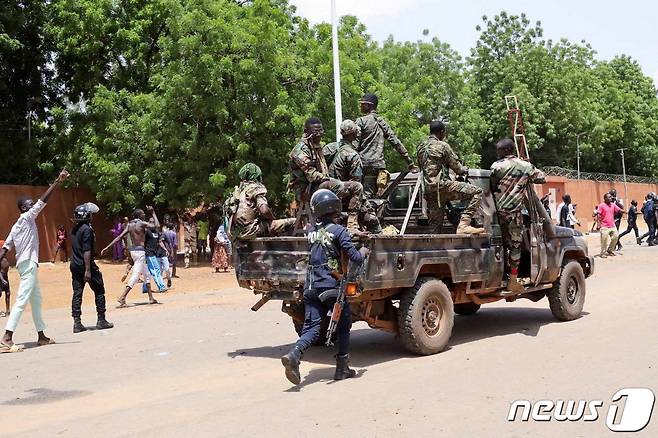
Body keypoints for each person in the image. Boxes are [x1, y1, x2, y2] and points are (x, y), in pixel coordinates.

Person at [280, 190, 366, 385]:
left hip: (310, 286)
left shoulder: (310, 231)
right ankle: (342, 368)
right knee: (344, 326)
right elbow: (356, 258)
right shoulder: (338, 231)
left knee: (311, 327)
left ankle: (294, 354)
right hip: (331, 287)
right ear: (334, 208)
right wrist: (364, 250)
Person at [0, 169, 69, 352]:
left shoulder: (16, 227)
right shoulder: (26, 217)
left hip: (25, 265)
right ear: (23, 208)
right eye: (30, 204)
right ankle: (7, 337)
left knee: (36, 300)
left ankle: (41, 336)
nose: (33, 206)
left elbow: (5, 248)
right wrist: (57, 181)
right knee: (22, 300)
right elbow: (43, 201)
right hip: (29, 264)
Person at [289, 118, 380, 232]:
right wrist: (330, 179)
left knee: (357, 186)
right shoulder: (300, 150)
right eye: (315, 133)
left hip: (319, 186)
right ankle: (334, 219)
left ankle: (352, 225)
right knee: (337, 185)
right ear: (306, 131)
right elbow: (312, 175)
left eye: (321, 132)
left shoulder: (321, 147)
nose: (319, 136)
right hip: (305, 190)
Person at [490, 139, 546, 292]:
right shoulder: (525, 166)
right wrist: (526, 169)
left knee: (499, 245)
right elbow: (542, 178)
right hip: (515, 213)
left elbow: (492, 185)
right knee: (515, 246)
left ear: (505, 150)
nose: (498, 153)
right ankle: (513, 279)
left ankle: (500, 275)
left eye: (499, 151)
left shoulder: (496, 166)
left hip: (497, 213)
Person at [417, 120, 484, 234]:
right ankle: (464, 224)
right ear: (442, 132)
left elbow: (423, 168)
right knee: (477, 192)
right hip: (443, 187)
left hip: (429, 190)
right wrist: (465, 169)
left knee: (435, 227)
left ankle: (434, 248)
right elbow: (457, 168)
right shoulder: (443, 146)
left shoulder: (421, 147)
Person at [322, 119, 381, 231]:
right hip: (342, 194)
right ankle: (356, 227)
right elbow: (356, 181)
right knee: (370, 216)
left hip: (325, 190)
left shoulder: (328, 148)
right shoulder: (353, 155)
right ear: (354, 134)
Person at [355, 93, 415, 198]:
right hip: (378, 166)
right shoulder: (381, 122)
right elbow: (396, 142)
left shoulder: (361, 121)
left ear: (369, 105)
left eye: (362, 104)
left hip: (363, 165)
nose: (360, 106)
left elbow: (354, 144)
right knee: (376, 196)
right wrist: (409, 161)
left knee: (364, 197)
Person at [101, 207, 159, 307]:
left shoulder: (130, 225)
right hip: (140, 252)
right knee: (136, 275)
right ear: (139, 215)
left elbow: (119, 237)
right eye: (142, 214)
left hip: (133, 251)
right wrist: (153, 212)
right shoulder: (142, 223)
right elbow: (157, 225)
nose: (144, 215)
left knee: (146, 274)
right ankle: (122, 297)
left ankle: (151, 297)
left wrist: (107, 247)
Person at [69, 202, 114, 333]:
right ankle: (101, 320)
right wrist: (88, 270)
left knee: (77, 293)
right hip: (85, 265)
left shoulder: (75, 229)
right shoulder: (87, 229)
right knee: (99, 289)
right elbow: (87, 250)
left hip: (74, 264)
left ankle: (77, 323)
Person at [228, 163, 296, 239]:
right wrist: (272, 220)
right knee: (294, 222)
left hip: (236, 234)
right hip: (251, 230)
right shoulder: (255, 188)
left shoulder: (238, 191)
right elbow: (264, 210)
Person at [596, 193, 625, 258]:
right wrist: (598, 224)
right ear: (605, 198)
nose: (611, 198)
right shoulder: (601, 205)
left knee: (616, 237)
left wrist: (624, 211)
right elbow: (598, 214)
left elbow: (619, 210)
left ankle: (610, 249)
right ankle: (603, 253)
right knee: (604, 240)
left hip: (612, 225)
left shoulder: (613, 205)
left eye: (611, 197)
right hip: (604, 226)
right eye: (609, 197)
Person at [144, 216, 168, 293]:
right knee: (156, 270)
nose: (152, 223)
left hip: (153, 254)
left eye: (153, 222)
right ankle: (161, 287)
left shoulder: (157, 232)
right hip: (149, 253)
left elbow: (160, 242)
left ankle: (145, 288)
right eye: (150, 222)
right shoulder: (147, 231)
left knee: (148, 272)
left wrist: (165, 249)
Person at [0, 242, 9, 318]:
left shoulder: (5, 259)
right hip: (0, 278)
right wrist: (2, 280)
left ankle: (8, 310)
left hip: (5, 278)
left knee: (8, 293)